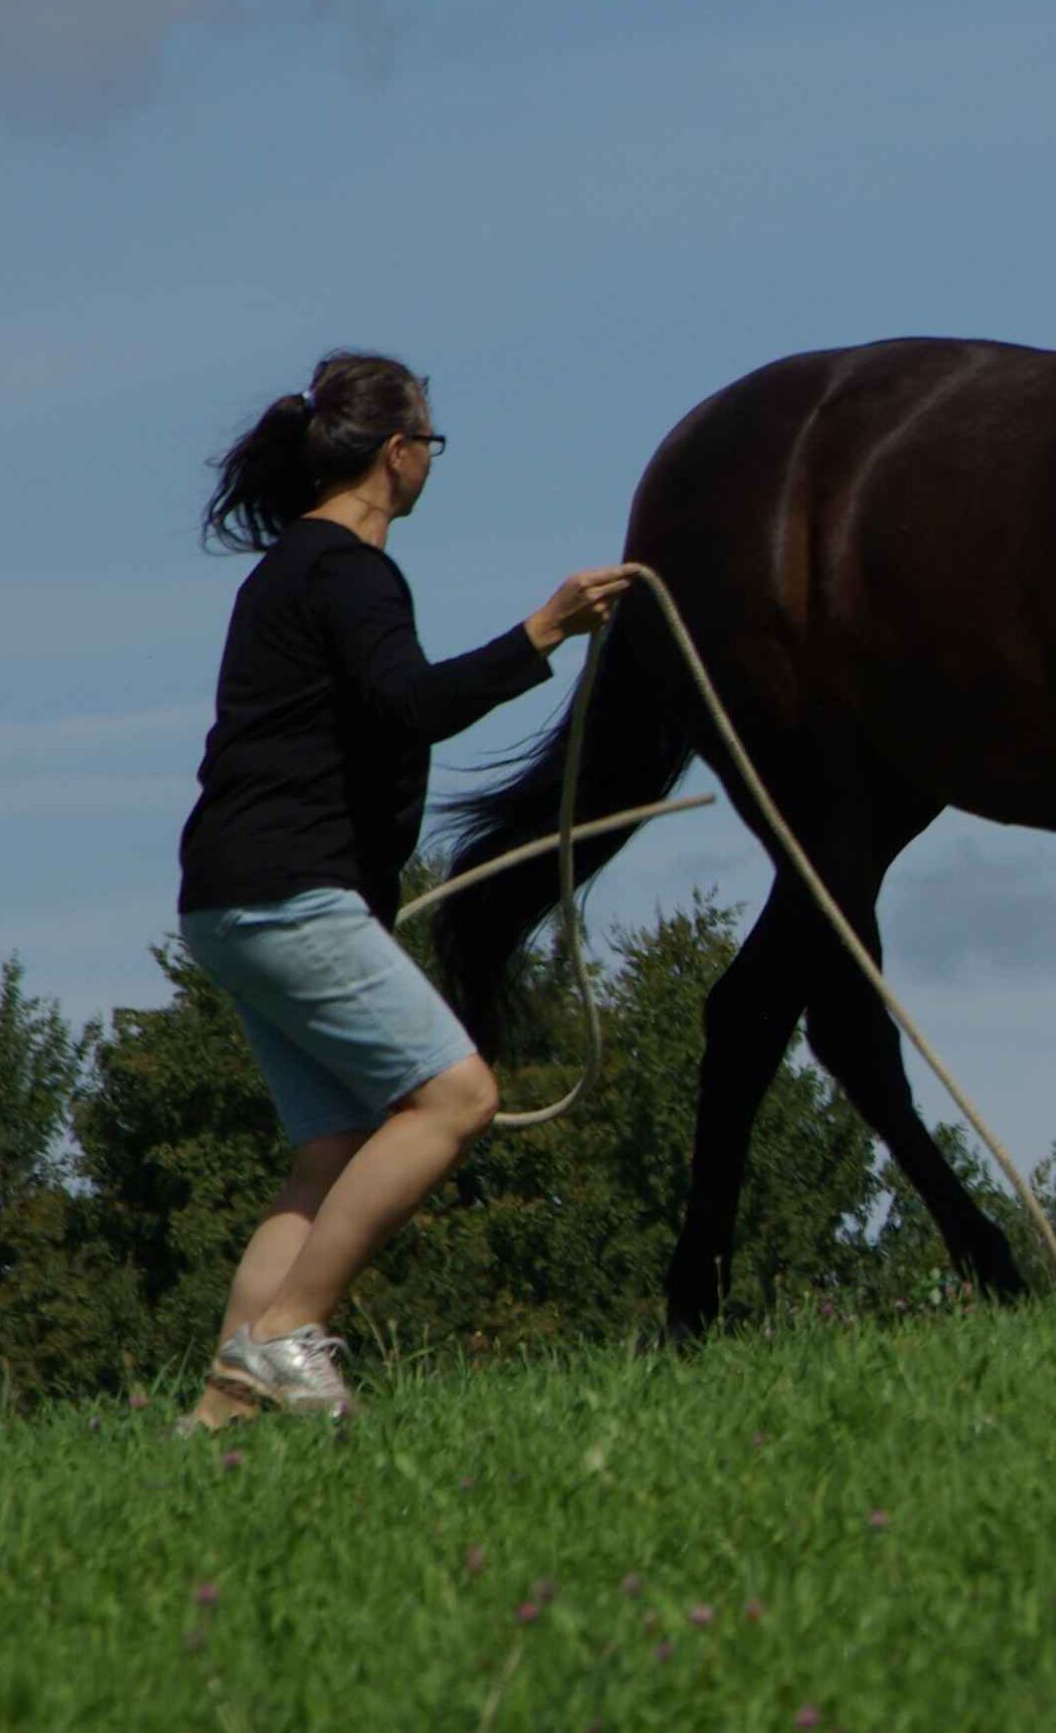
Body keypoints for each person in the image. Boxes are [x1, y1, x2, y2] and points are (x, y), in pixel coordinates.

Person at [173, 350, 626, 1428]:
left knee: (330, 1153)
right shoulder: (349, 571)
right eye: (430, 440)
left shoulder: (289, 569)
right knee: (457, 1098)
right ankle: (287, 1334)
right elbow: (411, 704)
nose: (431, 459)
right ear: (396, 451)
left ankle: (219, 1416)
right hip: (290, 894)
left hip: (228, 899)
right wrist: (545, 631)